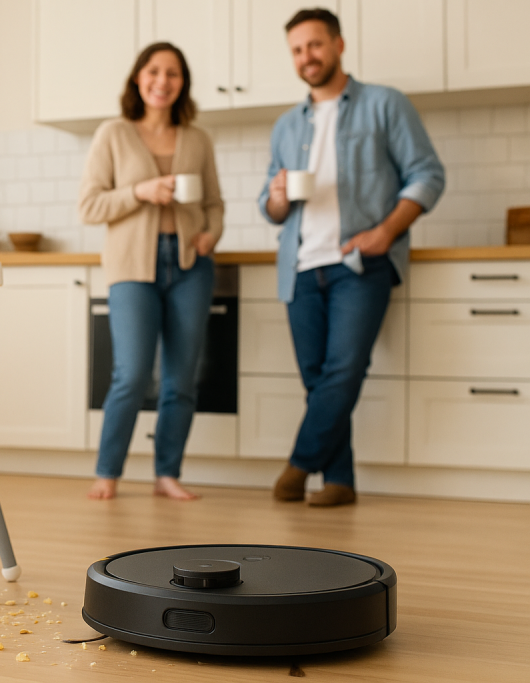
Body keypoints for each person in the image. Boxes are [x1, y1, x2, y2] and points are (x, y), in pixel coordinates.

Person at [258, 9, 445, 506]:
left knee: (343, 369)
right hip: (298, 269)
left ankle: (299, 465)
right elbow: (270, 207)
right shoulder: (285, 125)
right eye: (297, 50)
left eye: (315, 45)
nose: (306, 57)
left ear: (339, 45)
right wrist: (277, 195)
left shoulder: (385, 104)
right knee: (318, 380)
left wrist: (385, 231)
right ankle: (339, 481)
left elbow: (427, 174)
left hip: (358, 265)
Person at [79, 43, 224, 501]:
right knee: (133, 373)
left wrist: (210, 235)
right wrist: (140, 190)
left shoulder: (197, 138)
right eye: (154, 71)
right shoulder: (114, 134)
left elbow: (215, 204)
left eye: (174, 74)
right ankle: (108, 472)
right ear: (138, 78)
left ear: (183, 83)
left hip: (189, 264)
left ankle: (167, 474)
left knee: (181, 379)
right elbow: (89, 205)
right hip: (131, 266)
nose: (163, 81)